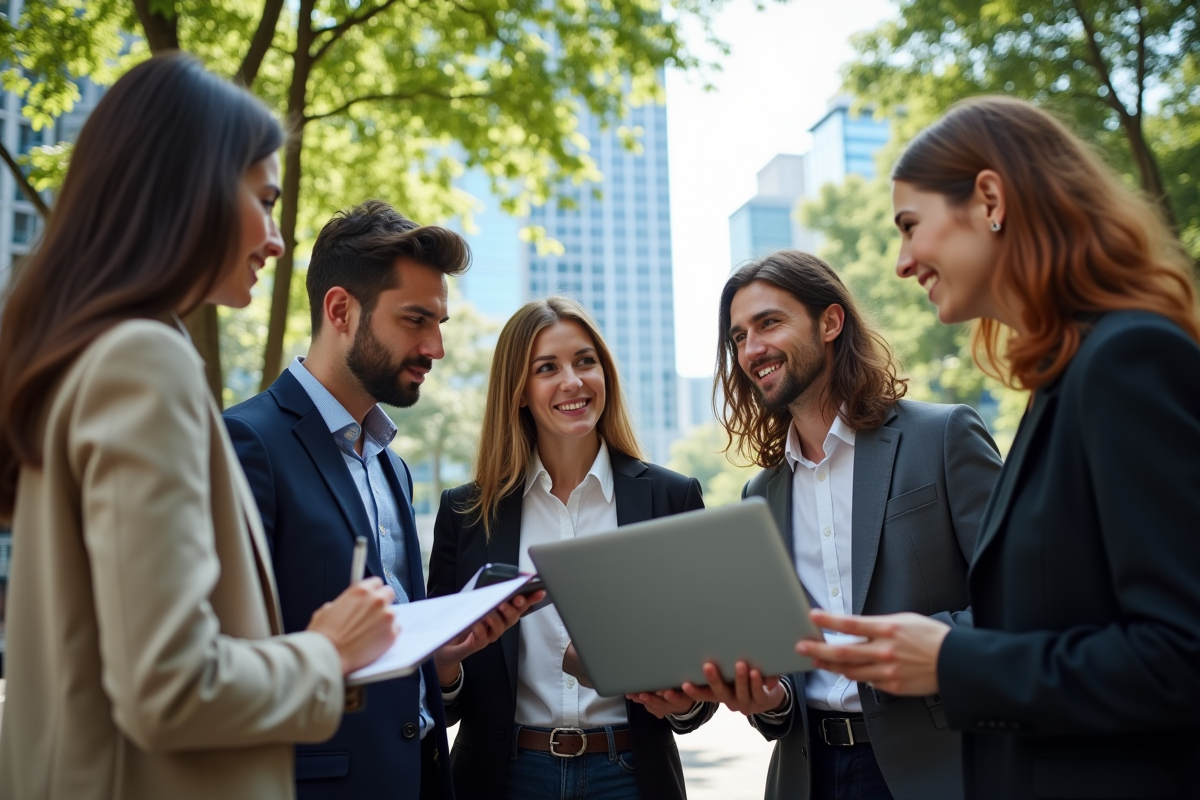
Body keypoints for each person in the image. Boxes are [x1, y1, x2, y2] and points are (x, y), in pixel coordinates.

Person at [0, 54, 398, 800]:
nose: (277, 241)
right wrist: (325, 650)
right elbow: (171, 686)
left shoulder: (95, 355)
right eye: (265, 200)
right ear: (190, 192)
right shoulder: (143, 362)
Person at [799, 96, 1200, 800]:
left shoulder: (1128, 359)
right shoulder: (1064, 383)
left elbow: (1181, 655)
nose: (901, 262)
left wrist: (954, 660)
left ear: (989, 198)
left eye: (909, 226)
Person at [225, 200, 535, 799]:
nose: (435, 347)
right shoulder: (245, 444)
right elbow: (228, 656)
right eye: (416, 320)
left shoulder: (393, 466)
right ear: (340, 310)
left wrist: (442, 654)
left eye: (439, 322)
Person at [685, 251, 1002, 800]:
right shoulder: (758, 496)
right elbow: (783, 670)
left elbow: (1026, 602)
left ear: (830, 322)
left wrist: (924, 647)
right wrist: (771, 699)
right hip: (808, 777)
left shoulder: (944, 436)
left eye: (769, 323)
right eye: (737, 337)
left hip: (941, 769)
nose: (751, 349)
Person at [427, 296, 715, 800]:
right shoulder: (466, 513)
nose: (574, 381)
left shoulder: (671, 498)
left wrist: (673, 694)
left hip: (630, 775)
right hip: (503, 777)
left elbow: (701, 690)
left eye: (586, 361)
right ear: (518, 392)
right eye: (547, 368)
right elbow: (443, 700)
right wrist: (447, 662)